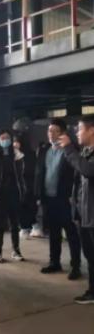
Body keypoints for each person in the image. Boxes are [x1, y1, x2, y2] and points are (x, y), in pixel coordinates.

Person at [35, 118, 82, 279]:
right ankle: (54, 262)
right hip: (49, 199)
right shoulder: (45, 150)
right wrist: (39, 196)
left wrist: (74, 197)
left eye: (55, 131)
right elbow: (39, 173)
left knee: (71, 234)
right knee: (54, 233)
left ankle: (75, 266)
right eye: (50, 130)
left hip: (65, 199)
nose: (52, 134)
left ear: (63, 133)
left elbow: (77, 175)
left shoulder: (70, 150)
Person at [60, 115, 94, 303]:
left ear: (91, 130)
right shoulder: (85, 152)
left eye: (80, 129)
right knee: (90, 254)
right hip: (85, 214)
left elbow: (88, 170)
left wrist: (69, 149)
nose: (77, 133)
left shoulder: (83, 155)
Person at [0, 129, 26, 263]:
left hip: (13, 193)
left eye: (7, 138)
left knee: (14, 224)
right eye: (2, 138)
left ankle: (16, 250)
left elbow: (21, 173)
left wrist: (22, 190)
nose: (5, 140)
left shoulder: (16, 155)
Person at [13, 134, 38, 240]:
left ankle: (27, 227)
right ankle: (27, 227)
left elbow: (31, 170)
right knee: (23, 208)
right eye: (14, 141)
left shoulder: (29, 155)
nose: (15, 144)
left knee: (28, 207)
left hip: (28, 185)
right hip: (19, 186)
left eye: (17, 141)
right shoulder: (12, 154)